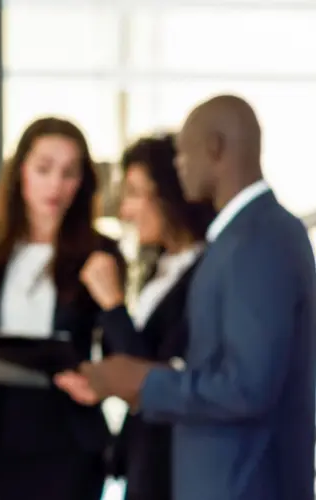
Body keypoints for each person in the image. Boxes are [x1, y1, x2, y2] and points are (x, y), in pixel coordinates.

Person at [74, 95, 316, 500]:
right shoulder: (242, 237)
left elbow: (247, 386)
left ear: (215, 148)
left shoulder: (257, 240)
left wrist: (141, 381)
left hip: (242, 485)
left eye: (184, 154)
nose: (179, 165)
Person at [0, 117, 123, 500]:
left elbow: (120, 352)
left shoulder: (100, 253)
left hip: (69, 433)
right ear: (20, 172)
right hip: (1, 432)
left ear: (83, 183)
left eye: (69, 173)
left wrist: (98, 382)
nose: (55, 185)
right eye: (44, 169)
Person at [57, 134, 215, 500]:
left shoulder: (206, 273)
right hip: (143, 457)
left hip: (173, 462)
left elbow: (152, 375)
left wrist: (113, 303)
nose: (125, 210)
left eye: (133, 193)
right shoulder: (160, 265)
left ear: (169, 195)